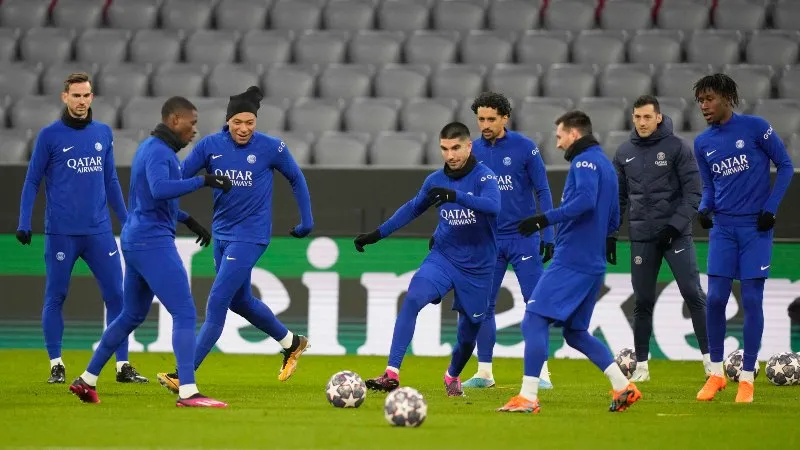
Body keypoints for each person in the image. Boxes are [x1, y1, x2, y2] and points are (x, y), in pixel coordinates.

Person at [69, 96, 232, 407]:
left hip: (135, 237)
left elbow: (149, 201)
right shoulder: (160, 153)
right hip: (152, 242)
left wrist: (188, 220)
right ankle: (188, 392)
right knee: (184, 313)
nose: (194, 130)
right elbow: (159, 189)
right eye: (191, 122)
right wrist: (204, 181)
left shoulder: (149, 148)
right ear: (174, 120)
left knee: (131, 314)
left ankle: (87, 380)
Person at [156, 86, 314, 392]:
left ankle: (182, 374)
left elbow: (296, 178)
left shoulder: (272, 148)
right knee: (240, 301)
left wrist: (307, 220)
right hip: (223, 236)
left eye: (250, 123)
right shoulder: (209, 146)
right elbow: (178, 179)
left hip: (251, 236)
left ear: (256, 122)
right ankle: (293, 343)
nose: (243, 129)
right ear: (228, 121)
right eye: (237, 122)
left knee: (217, 302)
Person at [498, 111, 642, 414]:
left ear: (574, 134)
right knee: (575, 333)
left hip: (573, 258)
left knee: (534, 319)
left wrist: (543, 219)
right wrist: (608, 239)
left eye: (560, 134)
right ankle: (623, 386)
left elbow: (585, 201)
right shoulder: (606, 163)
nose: (558, 141)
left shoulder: (584, 162)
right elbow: (614, 213)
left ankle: (528, 396)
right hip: (593, 261)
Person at [16, 72, 146, 384]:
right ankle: (56, 364)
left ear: (92, 97)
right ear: (65, 97)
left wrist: (127, 221)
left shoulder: (103, 132)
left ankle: (122, 365)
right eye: (76, 95)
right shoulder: (50, 136)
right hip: (62, 232)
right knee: (56, 294)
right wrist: (24, 221)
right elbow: (33, 180)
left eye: (86, 95)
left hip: (99, 231)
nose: (81, 101)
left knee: (118, 296)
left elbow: (111, 180)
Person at [355, 122, 500, 397]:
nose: (450, 155)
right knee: (412, 299)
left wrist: (456, 196)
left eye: (456, 148)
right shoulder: (435, 180)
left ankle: (452, 376)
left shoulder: (484, 177)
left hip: (478, 269)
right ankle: (391, 373)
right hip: (444, 257)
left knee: (468, 336)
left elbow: (493, 207)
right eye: (445, 149)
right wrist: (377, 234)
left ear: (469, 146)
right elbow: (412, 209)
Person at [693, 74, 794, 403]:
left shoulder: (755, 127)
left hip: (756, 229)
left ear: (726, 98)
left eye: (708, 99)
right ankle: (717, 375)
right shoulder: (702, 143)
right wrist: (705, 208)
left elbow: (786, 165)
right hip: (723, 229)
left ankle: (747, 378)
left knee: (751, 301)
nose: (704, 106)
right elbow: (709, 186)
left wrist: (771, 208)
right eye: (700, 101)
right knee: (716, 300)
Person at [462, 92, 556, 390]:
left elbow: (543, 190)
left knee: (535, 303)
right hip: (488, 240)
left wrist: (548, 231)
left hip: (523, 238)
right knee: (483, 305)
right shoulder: (471, 150)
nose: (485, 124)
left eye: (491, 119)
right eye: (480, 119)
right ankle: (485, 372)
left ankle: (542, 372)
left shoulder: (525, 148)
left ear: (505, 117)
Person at [613, 95, 710, 381]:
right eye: (637, 117)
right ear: (632, 118)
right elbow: (618, 199)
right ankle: (641, 366)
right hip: (642, 238)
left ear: (658, 117)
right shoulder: (623, 153)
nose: (642, 122)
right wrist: (610, 233)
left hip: (675, 236)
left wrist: (674, 227)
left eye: (647, 117)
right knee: (642, 301)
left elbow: (694, 193)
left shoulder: (677, 147)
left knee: (693, 294)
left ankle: (710, 362)